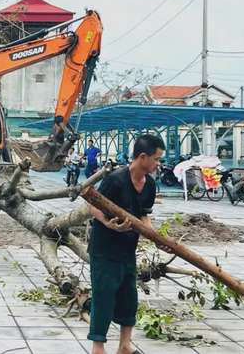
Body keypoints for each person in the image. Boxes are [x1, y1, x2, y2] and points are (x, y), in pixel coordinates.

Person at [88, 134, 172, 354]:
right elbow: (93, 207)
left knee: (129, 298)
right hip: (104, 250)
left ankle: (125, 346)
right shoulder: (115, 180)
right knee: (103, 297)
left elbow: (144, 217)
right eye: (156, 159)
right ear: (142, 157)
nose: (158, 164)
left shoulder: (150, 185)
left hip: (127, 251)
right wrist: (109, 223)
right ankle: (98, 348)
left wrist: (155, 239)